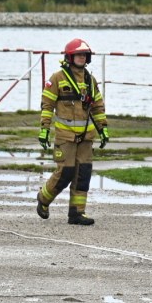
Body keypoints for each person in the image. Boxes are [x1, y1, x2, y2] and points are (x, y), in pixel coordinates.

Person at [36, 38, 109, 225]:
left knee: (83, 174)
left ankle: (77, 213)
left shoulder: (90, 81)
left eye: (84, 55)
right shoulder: (57, 79)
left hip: (86, 137)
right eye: (78, 55)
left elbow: (98, 107)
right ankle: (43, 199)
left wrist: (103, 129)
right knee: (65, 172)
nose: (82, 57)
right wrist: (44, 129)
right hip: (65, 137)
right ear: (70, 57)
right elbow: (47, 105)